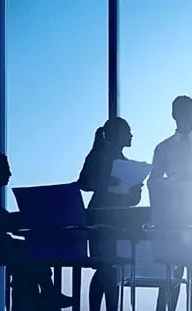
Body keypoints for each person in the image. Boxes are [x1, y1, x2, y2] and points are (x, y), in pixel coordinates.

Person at [0, 151, 72, 310]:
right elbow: (1, 222)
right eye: (5, 168)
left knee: (26, 261)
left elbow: (1, 221)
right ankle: (47, 295)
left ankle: (43, 297)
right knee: (32, 254)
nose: (9, 173)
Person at [148, 95, 192, 311]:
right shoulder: (163, 148)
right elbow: (153, 182)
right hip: (173, 220)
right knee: (170, 281)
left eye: (190, 112)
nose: (188, 117)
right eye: (183, 112)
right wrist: (172, 186)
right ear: (174, 115)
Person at [77, 118, 143, 311]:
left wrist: (135, 191)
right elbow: (84, 183)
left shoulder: (126, 164)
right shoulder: (98, 156)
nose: (131, 135)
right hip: (100, 218)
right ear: (117, 135)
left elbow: (130, 200)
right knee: (106, 267)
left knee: (109, 268)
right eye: (128, 131)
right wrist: (106, 182)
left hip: (119, 220)